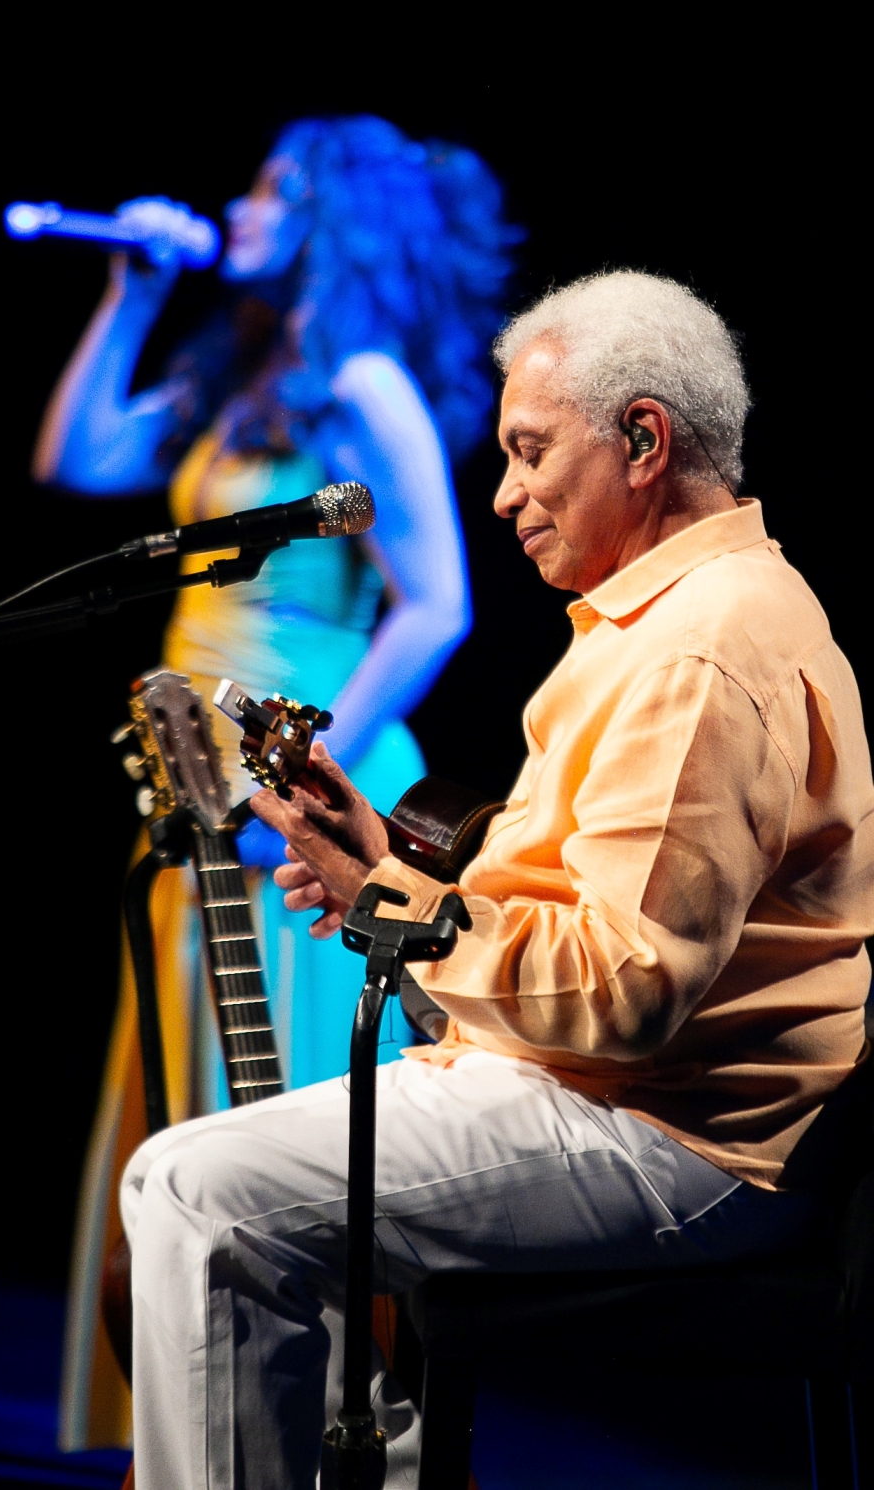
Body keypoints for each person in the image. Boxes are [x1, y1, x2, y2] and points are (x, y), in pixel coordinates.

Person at [120, 271, 872, 1488]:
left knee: (198, 1188)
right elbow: (585, 914)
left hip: (670, 1137)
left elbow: (628, 992)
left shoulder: (700, 651)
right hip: (620, 1097)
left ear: (641, 438)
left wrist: (393, 908)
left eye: (529, 452)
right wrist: (390, 866)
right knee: (227, 1179)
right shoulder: (676, 617)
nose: (503, 492)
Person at [36, 118, 519, 1448]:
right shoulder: (251, 371)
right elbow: (80, 459)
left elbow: (436, 609)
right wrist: (135, 292)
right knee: (192, 1106)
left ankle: (319, 1434)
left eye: (266, 188)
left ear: (328, 217)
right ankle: (202, 1435)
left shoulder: (365, 380)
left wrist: (290, 779)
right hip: (200, 792)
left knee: (292, 1120)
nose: (238, 207)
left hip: (311, 795)